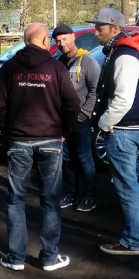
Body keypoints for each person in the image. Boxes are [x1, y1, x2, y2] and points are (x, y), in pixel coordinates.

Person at [0, 22, 80, 272]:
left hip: (19, 141)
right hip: (50, 140)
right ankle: (50, 257)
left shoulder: (10, 68)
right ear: (42, 41)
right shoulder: (55, 67)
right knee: (50, 200)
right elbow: (73, 103)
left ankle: (15, 257)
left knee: (15, 200)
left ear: (25, 40)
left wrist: (9, 131)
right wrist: (64, 132)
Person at [91, 8, 139, 256]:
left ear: (116, 29)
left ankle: (131, 241)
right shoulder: (127, 51)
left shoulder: (125, 55)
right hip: (130, 127)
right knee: (132, 183)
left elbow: (123, 99)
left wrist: (104, 123)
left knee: (125, 186)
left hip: (122, 129)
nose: (96, 31)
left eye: (101, 27)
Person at [52, 24, 100, 213]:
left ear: (73, 37)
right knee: (65, 159)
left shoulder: (87, 61)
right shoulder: (59, 62)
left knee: (84, 159)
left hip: (80, 120)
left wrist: (83, 115)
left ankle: (88, 196)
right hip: (61, 121)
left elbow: (95, 91)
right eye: (58, 41)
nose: (62, 44)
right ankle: (69, 193)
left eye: (65, 39)